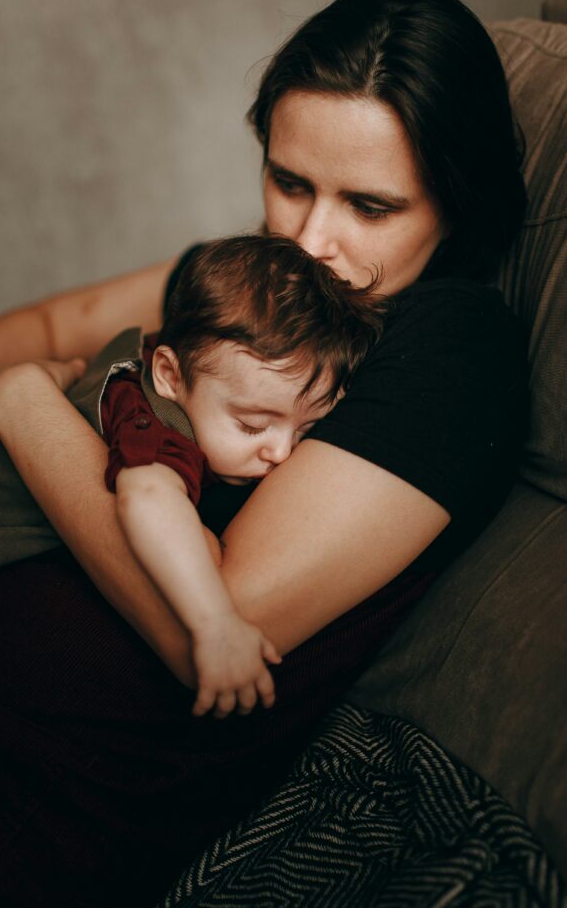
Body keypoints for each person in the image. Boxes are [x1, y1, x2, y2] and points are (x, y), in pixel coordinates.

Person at [0, 0, 528, 908]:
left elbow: (217, 616)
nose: (310, 242)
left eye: (369, 206)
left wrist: (21, 404)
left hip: (6, 806)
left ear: (459, 202)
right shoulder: (259, 291)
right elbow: (40, 324)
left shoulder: (452, 344)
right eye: (289, 183)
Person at [98, 234, 386, 717]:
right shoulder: (156, 427)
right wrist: (215, 623)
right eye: (252, 424)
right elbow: (147, 496)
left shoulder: (199, 369)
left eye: (309, 429)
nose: (282, 452)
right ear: (169, 374)